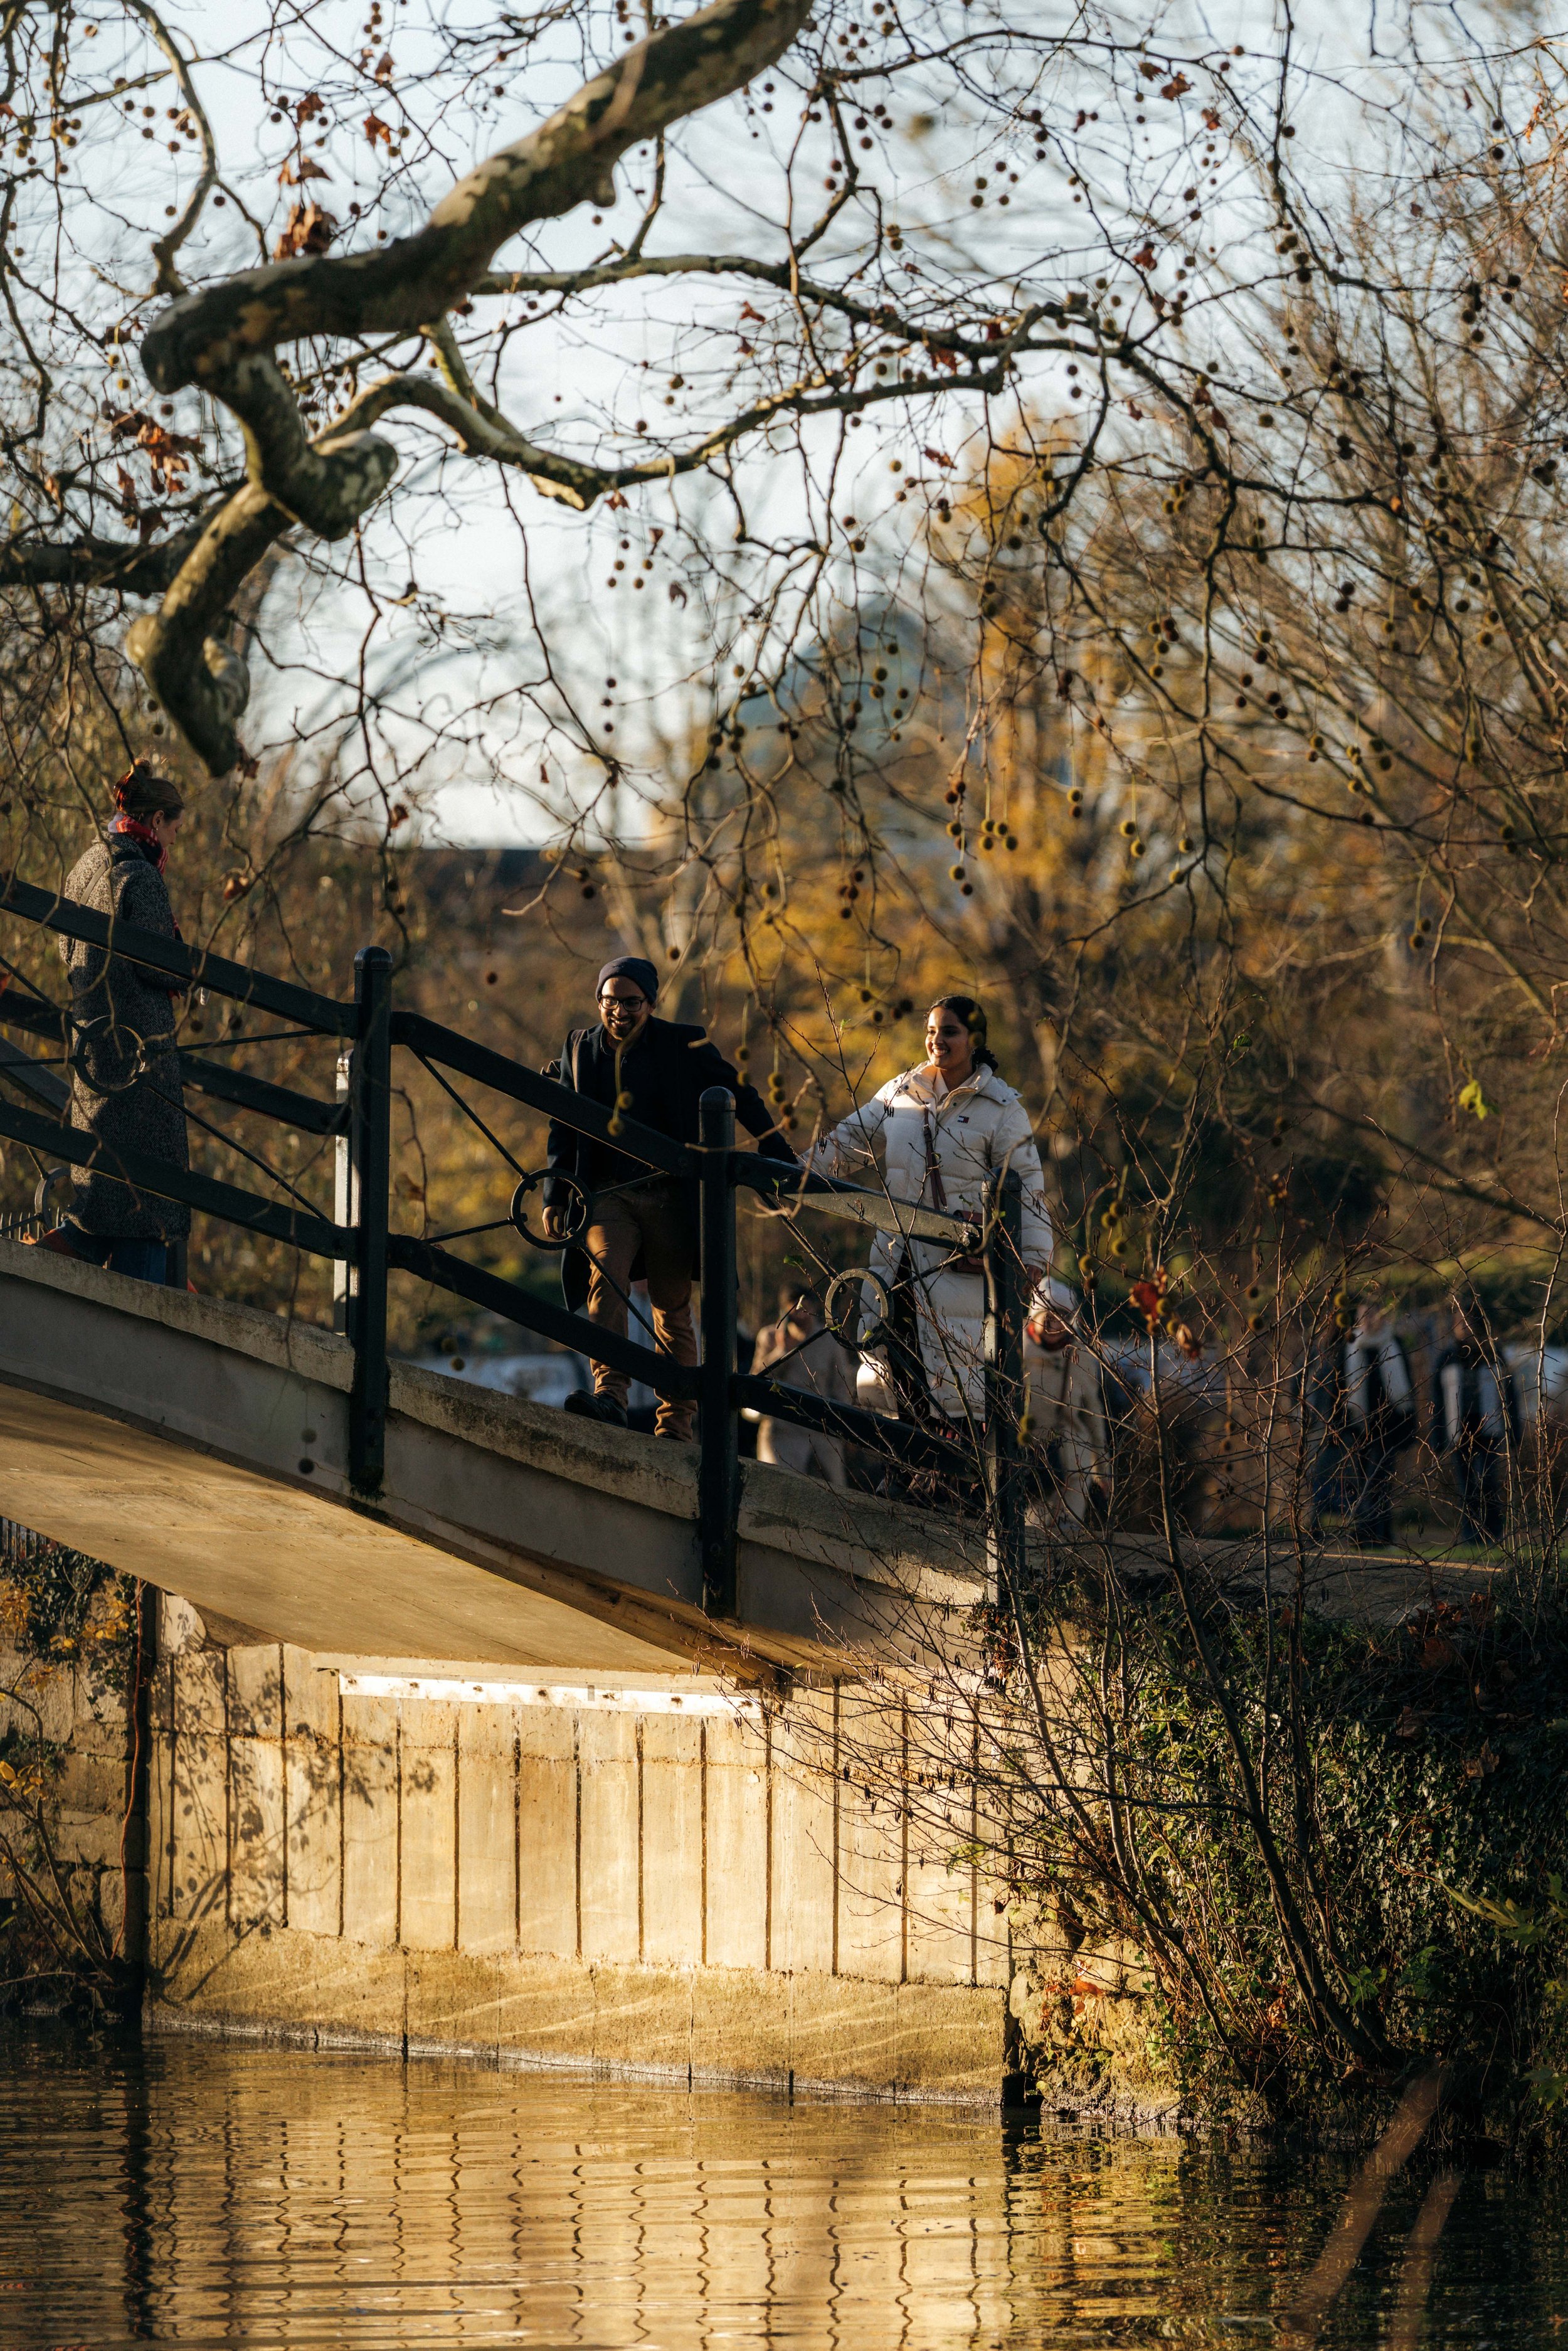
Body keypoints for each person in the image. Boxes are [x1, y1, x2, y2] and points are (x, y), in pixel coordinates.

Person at [542, 956, 795, 1437]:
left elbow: (738, 1091)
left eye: (630, 1002)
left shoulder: (683, 1044)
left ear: (651, 1003)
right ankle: (610, 1396)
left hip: (671, 1199)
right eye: (609, 1000)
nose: (618, 1011)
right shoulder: (580, 1048)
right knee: (606, 1281)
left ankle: (677, 1423)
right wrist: (554, 1194)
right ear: (598, 1000)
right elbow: (563, 1123)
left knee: (671, 1308)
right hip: (608, 1196)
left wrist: (774, 1148)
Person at [808, 995, 1052, 1427]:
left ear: (974, 1039)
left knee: (958, 1397)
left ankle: (946, 1487)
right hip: (895, 1266)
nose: (936, 1041)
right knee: (896, 1387)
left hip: (959, 1270)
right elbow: (846, 1143)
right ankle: (906, 1486)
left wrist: (1032, 1260)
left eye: (949, 1031)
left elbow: (1027, 1188)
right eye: (931, 1031)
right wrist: (788, 1173)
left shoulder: (1002, 1109)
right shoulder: (900, 1092)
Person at [50, 762, 191, 1285]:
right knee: (145, 1215)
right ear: (155, 821)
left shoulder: (87, 865)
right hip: (138, 1071)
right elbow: (165, 965)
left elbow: (66, 946)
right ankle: (150, 1351)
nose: (174, 843)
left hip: (95, 1060)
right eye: (174, 830)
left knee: (108, 1206)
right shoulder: (140, 876)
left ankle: (57, 1252)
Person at [1304, 1296, 1417, 1546]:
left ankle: (1377, 1534)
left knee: (1379, 1481)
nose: (1369, 1320)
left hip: (1388, 1428)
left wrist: (1408, 1424)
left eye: (1374, 1314)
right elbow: (1338, 1387)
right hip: (1356, 1428)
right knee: (1360, 1482)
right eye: (1365, 1315)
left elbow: (1407, 1389)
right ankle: (1369, 1533)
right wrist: (1335, 1425)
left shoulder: (1393, 1344)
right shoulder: (1349, 1346)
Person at [1431, 1300, 1518, 1546]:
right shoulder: (1446, 1358)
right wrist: (1436, 1438)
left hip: (1490, 1431)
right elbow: (1437, 1403)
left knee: (1489, 1482)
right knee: (1466, 1486)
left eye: (1469, 1322)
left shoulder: (1494, 1354)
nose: (1464, 1327)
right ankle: (1471, 1535)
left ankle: (1493, 1533)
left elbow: (1510, 1397)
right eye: (1460, 1322)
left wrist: (1514, 1432)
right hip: (1459, 1433)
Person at [750, 1285, 855, 1487]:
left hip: (822, 1426)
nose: (801, 1314)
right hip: (782, 1429)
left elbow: (842, 1385)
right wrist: (782, 1351)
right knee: (778, 1487)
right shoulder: (770, 1337)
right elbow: (756, 1380)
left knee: (836, 1490)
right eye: (795, 1309)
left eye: (804, 1308)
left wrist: (842, 1425)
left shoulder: (828, 1339)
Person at [1024, 1279, 1109, 1526]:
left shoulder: (1081, 1355)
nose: (1056, 1325)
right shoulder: (1014, 1350)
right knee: (1031, 1538)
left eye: (1063, 1317)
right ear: (1035, 1317)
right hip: (1029, 1463)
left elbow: (1094, 1415)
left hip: (1074, 1465)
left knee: (1068, 1538)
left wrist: (1102, 1471)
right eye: (1049, 1317)